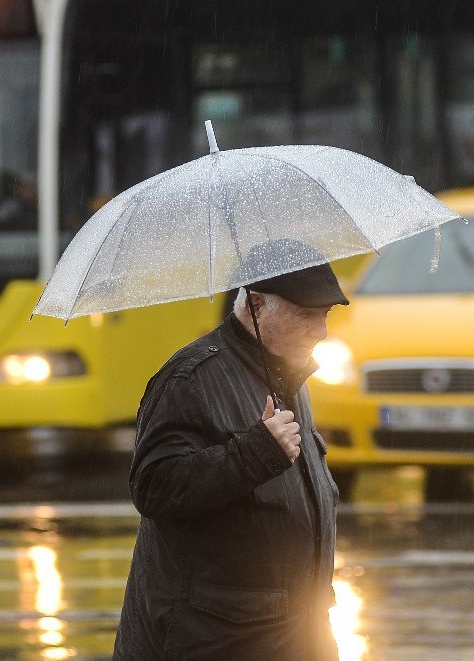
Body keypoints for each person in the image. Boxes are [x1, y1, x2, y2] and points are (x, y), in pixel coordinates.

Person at [113, 243, 348, 660]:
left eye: (325, 315)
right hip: (214, 641)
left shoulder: (288, 375)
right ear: (256, 305)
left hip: (293, 634)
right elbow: (154, 487)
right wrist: (252, 455)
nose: (321, 331)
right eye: (306, 315)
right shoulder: (191, 378)